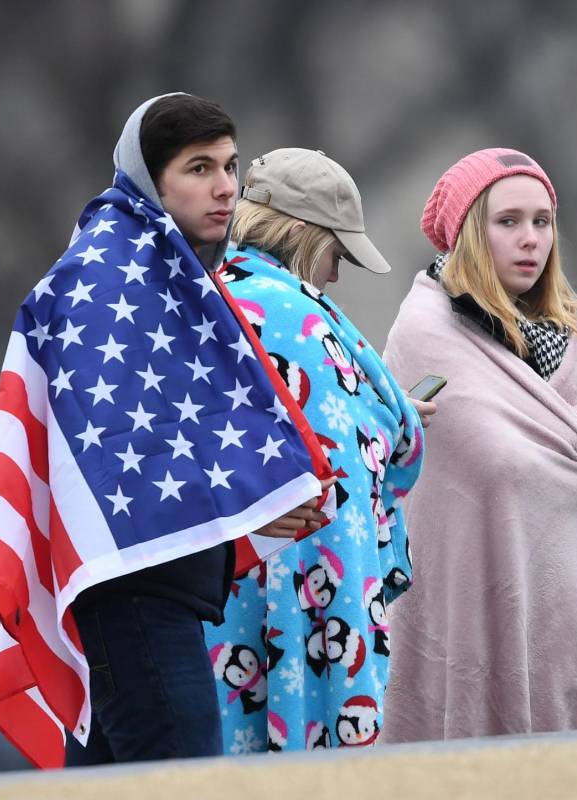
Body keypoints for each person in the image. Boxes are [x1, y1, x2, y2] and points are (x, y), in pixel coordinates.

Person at [0, 94, 336, 767]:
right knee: (177, 772)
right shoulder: (106, 274)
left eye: (229, 166)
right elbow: (119, 455)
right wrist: (247, 495)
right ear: (147, 178)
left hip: (152, 587)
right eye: (198, 168)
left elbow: (185, 430)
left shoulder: (166, 271)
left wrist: (256, 506)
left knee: (119, 776)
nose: (224, 188)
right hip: (131, 588)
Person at [380, 148, 577, 741]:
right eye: (507, 222)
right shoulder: (427, 332)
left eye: (542, 221)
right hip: (486, 622)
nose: (531, 239)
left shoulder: (557, 336)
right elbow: (507, 468)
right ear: (468, 235)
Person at [202, 148, 426, 752]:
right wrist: (387, 419)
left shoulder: (214, 299)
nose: (336, 274)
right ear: (302, 237)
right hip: (303, 584)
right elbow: (341, 458)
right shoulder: (289, 313)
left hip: (230, 590)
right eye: (336, 252)